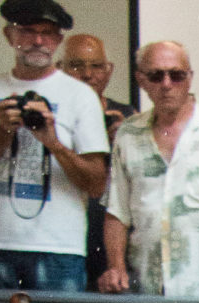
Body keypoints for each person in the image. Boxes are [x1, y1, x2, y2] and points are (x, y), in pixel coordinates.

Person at [99, 40, 199, 297]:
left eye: (176, 75)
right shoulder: (128, 134)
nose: (166, 84)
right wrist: (116, 267)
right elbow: (117, 211)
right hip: (146, 285)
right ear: (141, 79)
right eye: (156, 75)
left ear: (190, 78)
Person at [0, 0, 108, 292]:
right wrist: (2, 130)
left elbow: (97, 184)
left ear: (59, 41)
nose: (38, 41)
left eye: (48, 33)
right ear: (9, 35)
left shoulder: (80, 96)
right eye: (27, 31)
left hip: (59, 247)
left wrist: (52, 142)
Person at [58, 32, 134, 289]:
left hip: (112, 232)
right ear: (60, 69)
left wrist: (127, 139)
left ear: (109, 71)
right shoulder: (50, 116)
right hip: (65, 232)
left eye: (96, 66)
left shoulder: (129, 118)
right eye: (77, 65)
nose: (87, 74)